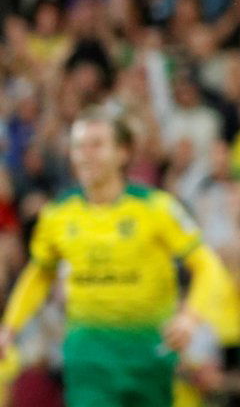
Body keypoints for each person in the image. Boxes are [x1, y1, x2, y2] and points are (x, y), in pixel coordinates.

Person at [0, 108, 228, 407]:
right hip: (89, 360)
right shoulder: (58, 214)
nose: (85, 155)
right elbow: (40, 273)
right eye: (78, 146)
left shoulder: (156, 208)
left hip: (148, 356)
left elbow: (208, 265)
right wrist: (9, 327)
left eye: (96, 144)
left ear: (122, 152)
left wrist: (189, 317)